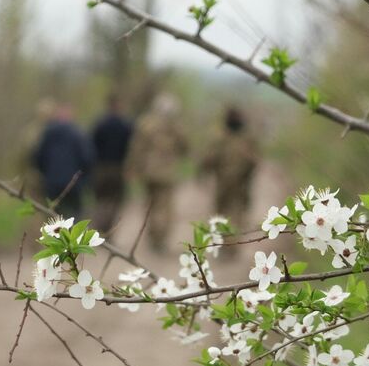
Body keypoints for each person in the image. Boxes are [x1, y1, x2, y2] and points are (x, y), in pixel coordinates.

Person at [127, 93, 188, 252]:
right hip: (167, 173)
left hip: (148, 172)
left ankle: (153, 236)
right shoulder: (176, 127)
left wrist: (134, 168)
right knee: (164, 207)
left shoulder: (146, 124)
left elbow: (136, 148)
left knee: (150, 205)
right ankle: (159, 238)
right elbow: (185, 147)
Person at [201, 106, 259, 246]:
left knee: (223, 212)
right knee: (235, 212)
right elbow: (255, 161)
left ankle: (227, 242)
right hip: (238, 183)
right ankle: (231, 242)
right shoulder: (247, 139)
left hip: (227, 182)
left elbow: (209, 159)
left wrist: (204, 172)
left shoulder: (220, 138)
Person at [31, 102, 94, 219]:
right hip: (74, 184)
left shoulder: (48, 133)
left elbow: (38, 157)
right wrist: (83, 179)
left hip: (52, 183)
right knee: (76, 215)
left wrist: (46, 175)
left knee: (54, 217)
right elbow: (87, 158)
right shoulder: (78, 133)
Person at [90, 95, 135, 233]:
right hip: (118, 168)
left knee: (101, 200)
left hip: (101, 167)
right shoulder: (126, 125)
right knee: (115, 201)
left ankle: (99, 228)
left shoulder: (99, 124)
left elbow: (91, 145)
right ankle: (108, 230)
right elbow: (131, 148)